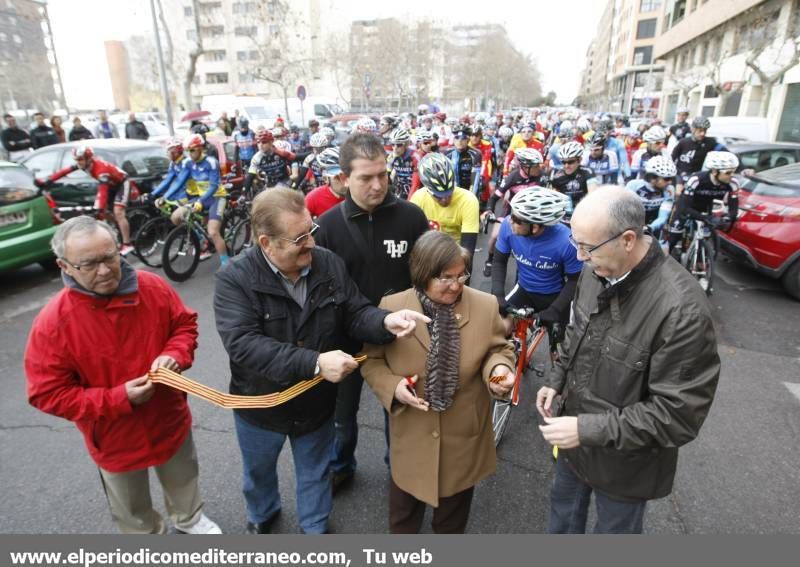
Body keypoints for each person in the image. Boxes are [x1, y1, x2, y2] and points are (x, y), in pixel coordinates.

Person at [213, 187, 430, 534]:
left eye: (311, 231)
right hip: (260, 403)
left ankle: (314, 526)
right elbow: (244, 345)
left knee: (316, 469)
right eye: (300, 238)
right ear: (267, 243)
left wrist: (384, 321)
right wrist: (315, 362)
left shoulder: (327, 262)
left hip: (316, 402)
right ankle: (262, 512)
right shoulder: (234, 279)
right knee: (259, 470)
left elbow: (354, 311)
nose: (311, 244)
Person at [536, 186, 721, 534]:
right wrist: (555, 379)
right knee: (561, 519)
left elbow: (677, 415)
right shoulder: (597, 267)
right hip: (576, 442)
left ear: (628, 239)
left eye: (586, 247)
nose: (578, 257)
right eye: (576, 243)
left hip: (627, 463)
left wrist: (587, 429)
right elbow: (578, 329)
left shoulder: (682, 311)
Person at [24, 216, 221, 534]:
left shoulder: (152, 286)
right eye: (89, 264)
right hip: (113, 433)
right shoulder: (53, 324)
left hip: (167, 413)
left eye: (109, 257)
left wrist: (174, 355)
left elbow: (183, 326)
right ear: (64, 266)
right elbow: (46, 393)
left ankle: (189, 517)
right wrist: (118, 398)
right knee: (130, 505)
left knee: (182, 473)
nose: (104, 271)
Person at [361, 231, 515, 533]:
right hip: (412, 435)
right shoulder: (391, 306)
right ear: (422, 274)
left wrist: (499, 371)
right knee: (403, 521)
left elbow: (498, 350)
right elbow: (372, 361)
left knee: (451, 525)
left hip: (463, 437)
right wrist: (393, 387)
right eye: (446, 278)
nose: (457, 285)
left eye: (462, 275)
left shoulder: (484, 306)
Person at [314, 133, 429, 493]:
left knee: (399, 409)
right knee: (341, 415)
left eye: (383, 174)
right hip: (344, 339)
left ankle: (401, 472)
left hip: (401, 336)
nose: (378, 185)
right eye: (366, 177)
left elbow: (427, 274)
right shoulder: (327, 226)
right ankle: (340, 465)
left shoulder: (411, 216)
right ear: (344, 178)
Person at [491, 188, 581, 338]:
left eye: (517, 219)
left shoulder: (566, 241)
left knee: (559, 352)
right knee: (496, 329)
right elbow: (499, 261)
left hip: (554, 296)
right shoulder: (508, 225)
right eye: (512, 214)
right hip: (524, 289)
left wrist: (555, 310)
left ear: (536, 226)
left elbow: (574, 280)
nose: (510, 220)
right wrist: (498, 294)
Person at [36, 145, 134, 256]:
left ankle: (127, 243)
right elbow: (64, 172)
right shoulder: (84, 164)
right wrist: (46, 181)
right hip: (110, 185)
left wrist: (100, 209)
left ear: (89, 159)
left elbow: (103, 191)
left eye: (80, 160)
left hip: (122, 183)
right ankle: (118, 225)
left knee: (118, 212)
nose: (78, 162)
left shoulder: (101, 170)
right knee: (99, 211)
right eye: (76, 160)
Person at [162, 134, 229, 266]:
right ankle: (203, 241)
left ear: (200, 149)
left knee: (213, 232)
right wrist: (164, 197)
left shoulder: (211, 162)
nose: (190, 154)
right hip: (201, 199)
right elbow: (179, 182)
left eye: (192, 150)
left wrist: (200, 201)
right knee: (176, 217)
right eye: (187, 151)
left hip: (217, 197)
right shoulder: (188, 163)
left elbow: (214, 186)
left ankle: (227, 264)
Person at [667, 151, 739, 261]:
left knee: (705, 237)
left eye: (734, 172)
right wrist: (706, 218)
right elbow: (685, 208)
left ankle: (701, 262)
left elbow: (734, 208)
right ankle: (663, 261)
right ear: (715, 171)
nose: (732, 176)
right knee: (674, 237)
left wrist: (728, 217)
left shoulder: (732, 183)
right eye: (728, 172)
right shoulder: (696, 180)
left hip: (705, 207)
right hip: (686, 206)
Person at [410, 152, 479, 262]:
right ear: (427, 189)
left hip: (455, 256)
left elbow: (468, 250)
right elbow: (412, 243)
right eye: (438, 196)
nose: (445, 200)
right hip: (428, 254)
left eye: (449, 193)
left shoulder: (468, 200)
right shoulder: (418, 198)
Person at [671, 116, 727, 194]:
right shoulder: (683, 142)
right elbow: (671, 159)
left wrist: (742, 168)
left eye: (705, 131)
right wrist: (679, 175)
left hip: (696, 176)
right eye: (700, 130)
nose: (703, 133)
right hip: (680, 175)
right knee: (679, 193)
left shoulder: (710, 142)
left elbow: (726, 152)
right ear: (693, 129)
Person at [625, 155, 676, 238]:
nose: (670, 182)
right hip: (633, 221)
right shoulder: (633, 185)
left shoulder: (669, 190)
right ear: (652, 178)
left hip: (653, 224)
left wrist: (649, 228)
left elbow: (663, 217)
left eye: (671, 178)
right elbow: (624, 211)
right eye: (666, 178)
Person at [549, 141, 598, 217]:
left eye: (570, 162)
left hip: (584, 214)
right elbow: (553, 201)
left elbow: (593, 195)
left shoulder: (587, 172)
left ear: (580, 160)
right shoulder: (557, 176)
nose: (566, 166)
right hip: (564, 216)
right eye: (563, 162)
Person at [304, 147, 347, 218]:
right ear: (326, 178)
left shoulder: (359, 194)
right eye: (338, 177)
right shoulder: (314, 197)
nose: (346, 182)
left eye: (349, 175)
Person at [387, 128, 418, 200]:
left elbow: (417, 182)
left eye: (399, 145)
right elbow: (388, 176)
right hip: (400, 188)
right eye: (393, 145)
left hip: (414, 188)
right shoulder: (391, 156)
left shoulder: (414, 157)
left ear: (406, 145)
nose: (395, 148)